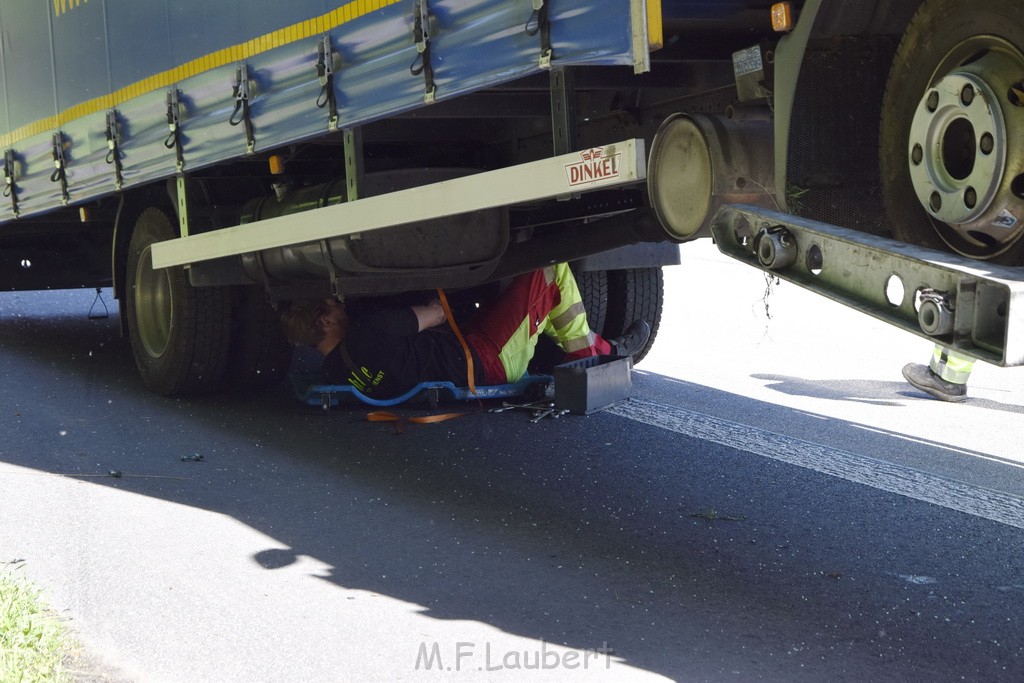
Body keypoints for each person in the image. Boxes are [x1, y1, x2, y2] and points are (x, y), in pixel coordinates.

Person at [280, 263, 651, 399]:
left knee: (524, 307)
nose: (342, 304)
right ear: (325, 321)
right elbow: (439, 313)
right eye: (333, 304)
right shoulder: (372, 331)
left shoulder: (333, 372)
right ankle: (593, 355)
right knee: (548, 271)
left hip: (471, 357)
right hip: (488, 361)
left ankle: (577, 349)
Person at [901, 344, 974, 402]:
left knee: (959, 327)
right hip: (960, 383)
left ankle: (942, 378)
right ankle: (956, 380)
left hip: (946, 381)